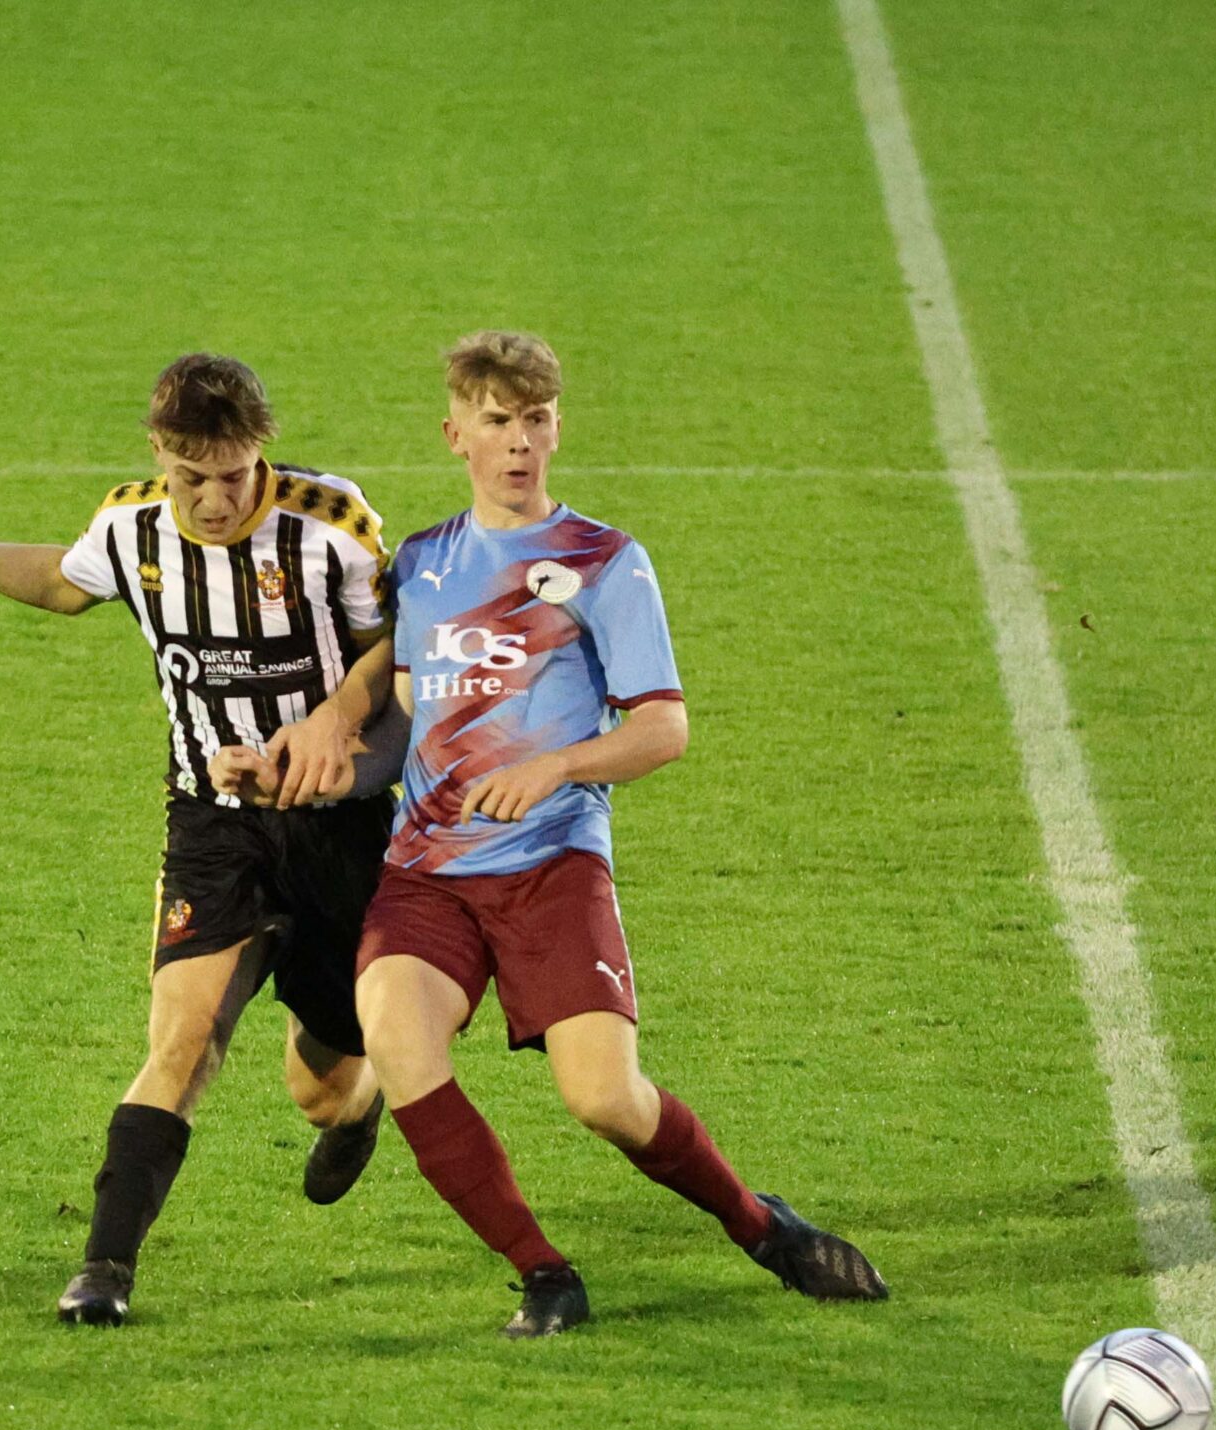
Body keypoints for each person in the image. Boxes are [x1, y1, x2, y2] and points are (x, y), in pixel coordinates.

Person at [213, 331, 887, 1336]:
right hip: (428, 874)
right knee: (398, 1045)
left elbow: (664, 728)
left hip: (551, 869)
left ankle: (760, 1227)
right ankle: (542, 1272)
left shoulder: (603, 562)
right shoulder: (426, 565)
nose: (520, 442)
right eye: (497, 422)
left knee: (605, 1101)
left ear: (556, 427)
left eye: (535, 420)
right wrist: (290, 780)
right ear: (456, 435)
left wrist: (556, 765)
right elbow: (405, 740)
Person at [0, 353, 404, 1326]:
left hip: (338, 830)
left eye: (236, 474)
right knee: (186, 1039)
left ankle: (361, 1106)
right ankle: (104, 1270)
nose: (219, 498)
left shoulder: (330, 525)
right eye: (196, 478)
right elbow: (62, 583)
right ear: (160, 454)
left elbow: (405, 646)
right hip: (211, 827)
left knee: (326, 1078)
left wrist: (331, 729)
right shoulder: (129, 526)